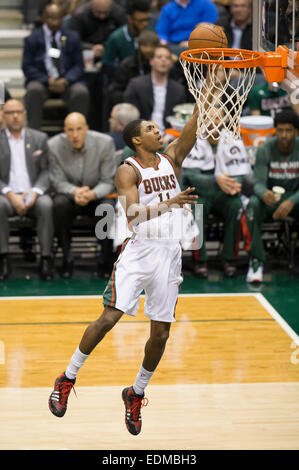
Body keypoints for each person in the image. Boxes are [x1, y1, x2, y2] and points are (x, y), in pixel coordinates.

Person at [48, 105, 200, 436]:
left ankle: (136, 393)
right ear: (136, 139)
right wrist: (170, 204)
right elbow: (132, 216)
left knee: (160, 333)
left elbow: (194, 123)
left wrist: (210, 92)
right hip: (140, 252)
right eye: (150, 128)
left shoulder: (172, 158)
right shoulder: (126, 170)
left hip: (169, 254)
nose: (158, 130)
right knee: (108, 319)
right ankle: (67, 377)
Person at [180, 110, 251, 278]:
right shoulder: (193, 139)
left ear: (224, 120)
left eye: (217, 117)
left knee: (236, 204)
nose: (212, 122)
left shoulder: (233, 139)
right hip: (200, 193)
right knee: (195, 207)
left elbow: (239, 173)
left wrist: (234, 185)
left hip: (222, 193)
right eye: (208, 118)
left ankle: (229, 259)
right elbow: (191, 175)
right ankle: (200, 260)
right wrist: (215, 179)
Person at [48, 112, 117, 278]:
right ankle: (67, 257)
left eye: (79, 129)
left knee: (107, 208)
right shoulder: (53, 145)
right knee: (58, 205)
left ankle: (104, 259)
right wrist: (75, 191)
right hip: (70, 195)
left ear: (87, 128)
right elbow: (57, 180)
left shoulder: (105, 143)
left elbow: (108, 181)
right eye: (70, 130)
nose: (75, 134)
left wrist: (92, 194)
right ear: (65, 131)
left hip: (97, 194)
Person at [0, 99, 54, 281]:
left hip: (33, 194)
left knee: (46, 204)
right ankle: (3, 258)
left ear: (24, 114)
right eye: (9, 112)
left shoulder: (39, 138)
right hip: (6, 195)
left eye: (18, 112)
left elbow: (47, 170)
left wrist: (35, 192)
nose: (14, 116)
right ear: (3, 116)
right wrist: (9, 193)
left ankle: (46, 258)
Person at [245, 110, 299, 283]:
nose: (284, 135)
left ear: (296, 132)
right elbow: (258, 182)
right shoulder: (265, 148)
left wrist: (292, 201)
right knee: (253, 204)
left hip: (295, 198)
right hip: (272, 199)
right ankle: (256, 260)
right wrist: (263, 193)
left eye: (288, 130)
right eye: (280, 130)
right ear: (275, 131)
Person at [22, 3, 89, 130]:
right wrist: (46, 80)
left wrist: (66, 80)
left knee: (81, 92)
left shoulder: (72, 37)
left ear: (62, 18)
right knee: (33, 90)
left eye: (57, 18)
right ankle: (33, 135)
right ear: (43, 18)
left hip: (67, 82)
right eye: (50, 18)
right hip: (43, 81)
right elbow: (27, 66)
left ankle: (78, 131)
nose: (54, 22)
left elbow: (79, 66)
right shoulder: (32, 39)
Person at [124, 44, 187, 134]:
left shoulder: (178, 90)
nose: (163, 60)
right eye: (159, 57)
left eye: (167, 57)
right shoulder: (136, 85)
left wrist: (170, 136)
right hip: (141, 134)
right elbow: (130, 116)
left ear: (171, 63)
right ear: (151, 61)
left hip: (169, 136)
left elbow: (180, 119)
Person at [106, 29, 160, 108]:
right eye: (145, 46)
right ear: (138, 46)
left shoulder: (162, 64)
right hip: (132, 103)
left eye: (152, 46)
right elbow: (116, 91)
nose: (148, 49)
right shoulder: (127, 64)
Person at [102, 0, 151, 74]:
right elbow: (107, 65)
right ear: (130, 19)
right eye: (141, 21)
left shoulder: (151, 34)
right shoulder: (116, 38)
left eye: (147, 20)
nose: (145, 24)